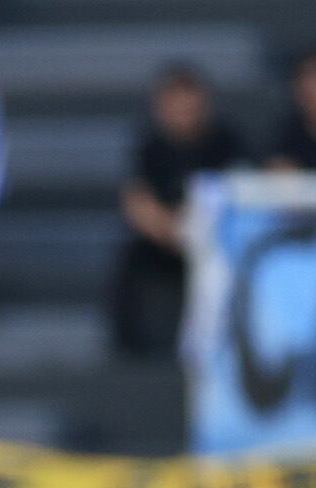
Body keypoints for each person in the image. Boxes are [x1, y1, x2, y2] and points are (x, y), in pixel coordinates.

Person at [112, 64, 240, 359]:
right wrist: (176, 230)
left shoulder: (227, 144)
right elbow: (137, 202)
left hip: (220, 245)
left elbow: (241, 194)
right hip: (167, 243)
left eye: (191, 107)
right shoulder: (151, 149)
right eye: (176, 108)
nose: (185, 115)